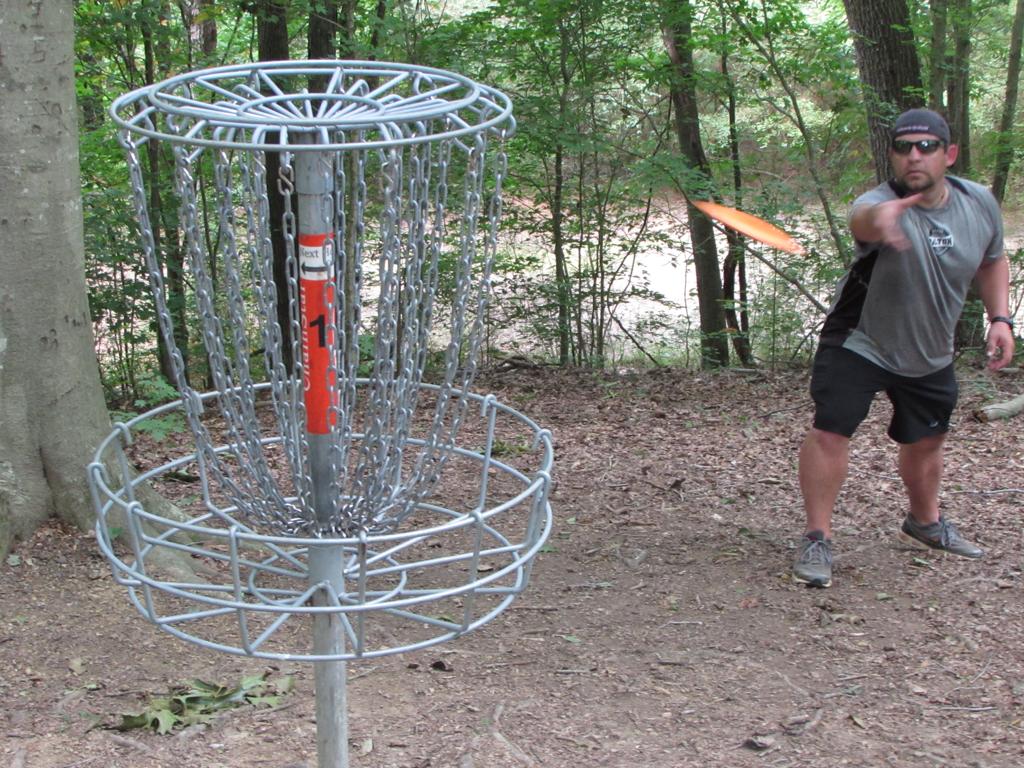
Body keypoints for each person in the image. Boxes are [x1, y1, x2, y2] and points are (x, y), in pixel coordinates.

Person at [793, 108, 1015, 588]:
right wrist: (881, 219)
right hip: (860, 340)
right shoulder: (879, 202)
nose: (914, 155)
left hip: (929, 349)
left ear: (948, 154)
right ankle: (817, 537)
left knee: (927, 440)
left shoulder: (978, 202)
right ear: (892, 156)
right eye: (903, 147)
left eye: (926, 146)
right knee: (831, 431)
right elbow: (862, 222)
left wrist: (1000, 318)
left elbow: (993, 260)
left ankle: (924, 523)